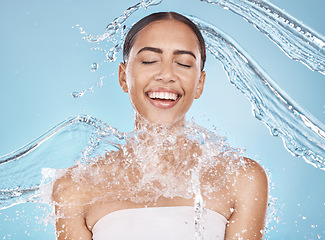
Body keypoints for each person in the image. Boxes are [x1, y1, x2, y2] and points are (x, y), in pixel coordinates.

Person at [52, 12, 268, 240]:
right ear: (123, 77)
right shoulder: (74, 188)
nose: (166, 75)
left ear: (199, 84)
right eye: (149, 61)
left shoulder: (241, 178)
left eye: (183, 63)